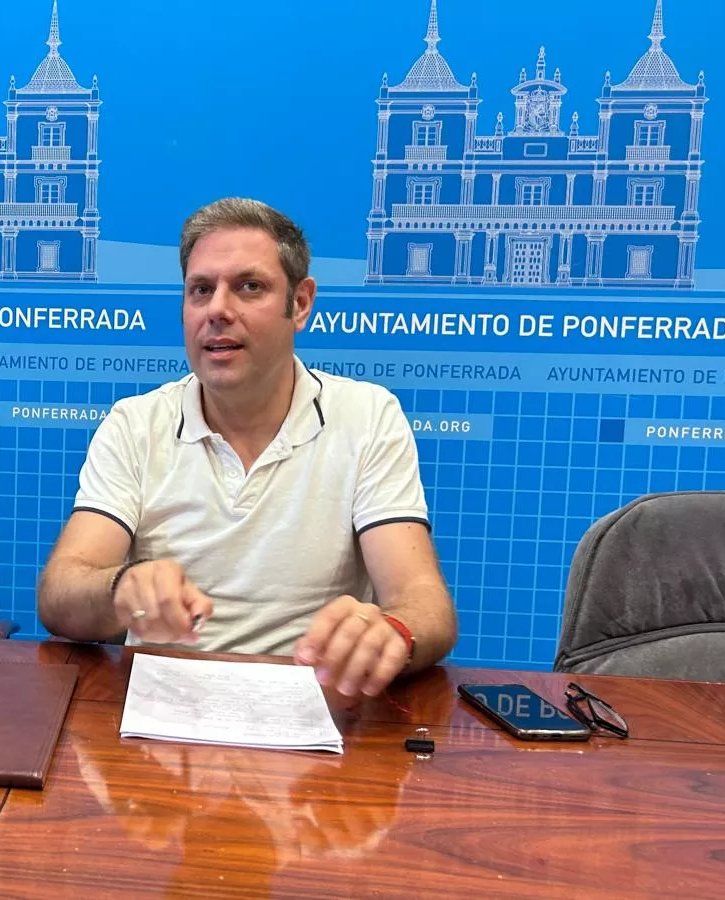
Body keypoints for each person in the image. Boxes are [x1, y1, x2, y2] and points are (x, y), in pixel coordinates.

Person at [37, 197, 457, 698]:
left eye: (249, 287)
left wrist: (394, 632)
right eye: (201, 290)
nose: (217, 310)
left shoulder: (367, 417)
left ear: (300, 304)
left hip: (315, 702)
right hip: (161, 708)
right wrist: (121, 588)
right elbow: (61, 594)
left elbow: (421, 599)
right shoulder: (136, 424)